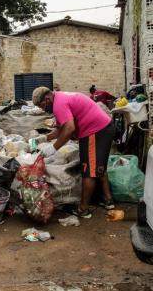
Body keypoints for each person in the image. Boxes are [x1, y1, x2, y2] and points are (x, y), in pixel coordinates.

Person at [31, 87, 115, 218]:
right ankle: (108, 200)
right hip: (102, 128)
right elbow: (61, 129)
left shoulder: (59, 104)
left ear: (47, 98)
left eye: (42, 106)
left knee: (89, 171)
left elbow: (69, 128)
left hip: (95, 131)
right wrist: (44, 138)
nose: (43, 109)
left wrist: (53, 148)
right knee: (97, 166)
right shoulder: (60, 98)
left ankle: (83, 209)